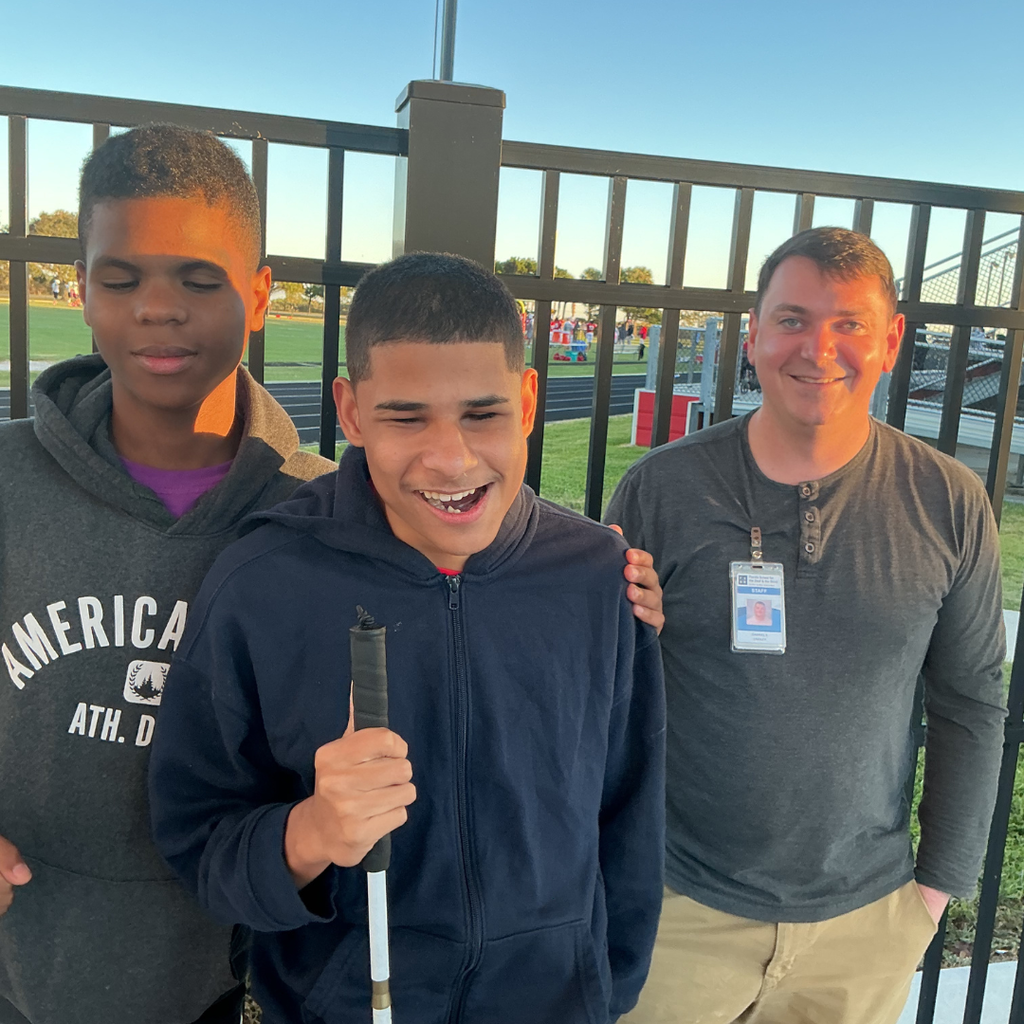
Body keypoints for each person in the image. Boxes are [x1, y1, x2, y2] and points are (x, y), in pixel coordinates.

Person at [149, 253, 667, 1024]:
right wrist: (312, 832)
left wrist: (605, 987)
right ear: (352, 413)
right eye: (405, 416)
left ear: (527, 400)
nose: (450, 458)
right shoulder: (264, 581)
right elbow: (199, 837)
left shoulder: (601, 578)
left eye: (482, 414)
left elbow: (630, 817)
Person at [607, 227, 1007, 1024]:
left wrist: (930, 897)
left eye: (849, 323)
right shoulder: (662, 490)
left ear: (890, 341)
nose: (818, 348)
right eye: (791, 319)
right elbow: (603, 689)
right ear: (752, 335)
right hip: (679, 908)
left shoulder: (950, 504)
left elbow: (972, 703)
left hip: (866, 923)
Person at [0, 125, 340, 1024]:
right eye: (121, 280)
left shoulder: (325, 512)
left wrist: (604, 577)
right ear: (81, 291)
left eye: (198, 279)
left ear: (261, 295)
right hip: (29, 966)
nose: (158, 308)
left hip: (237, 980)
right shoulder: (7, 484)